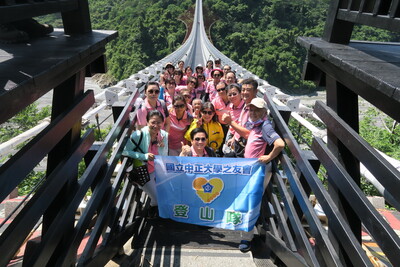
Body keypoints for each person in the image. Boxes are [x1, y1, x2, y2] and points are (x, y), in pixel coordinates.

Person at [239, 98, 284, 253]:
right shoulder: (255, 125)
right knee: (249, 201)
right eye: (251, 110)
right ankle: (246, 233)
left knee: (252, 203)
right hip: (252, 171)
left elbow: (280, 144)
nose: (253, 112)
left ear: (264, 112)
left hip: (259, 171)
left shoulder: (265, 126)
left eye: (257, 110)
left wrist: (269, 157)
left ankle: (246, 238)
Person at [123, 110, 169, 209]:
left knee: (166, 193)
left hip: (157, 170)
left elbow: (164, 156)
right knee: (158, 198)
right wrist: (143, 156)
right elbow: (125, 151)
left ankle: (152, 209)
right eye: (153, 122)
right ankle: (153, 212)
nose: (156, 125)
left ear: (162, 123)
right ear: (147, 122)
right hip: (143, 172)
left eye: (159, 122)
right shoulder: (138, 135)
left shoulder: (164, 135)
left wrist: (161, 147)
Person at [222, 78, 258, 158]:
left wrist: (230, 122)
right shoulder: (246, 105)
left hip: (244, 147)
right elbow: (241, 124)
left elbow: (248, 134)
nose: (245, 92)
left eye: (248, 90)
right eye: (243, 90)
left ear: (256, 91)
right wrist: (235, 137)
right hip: (237, 142)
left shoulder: (255, 110)